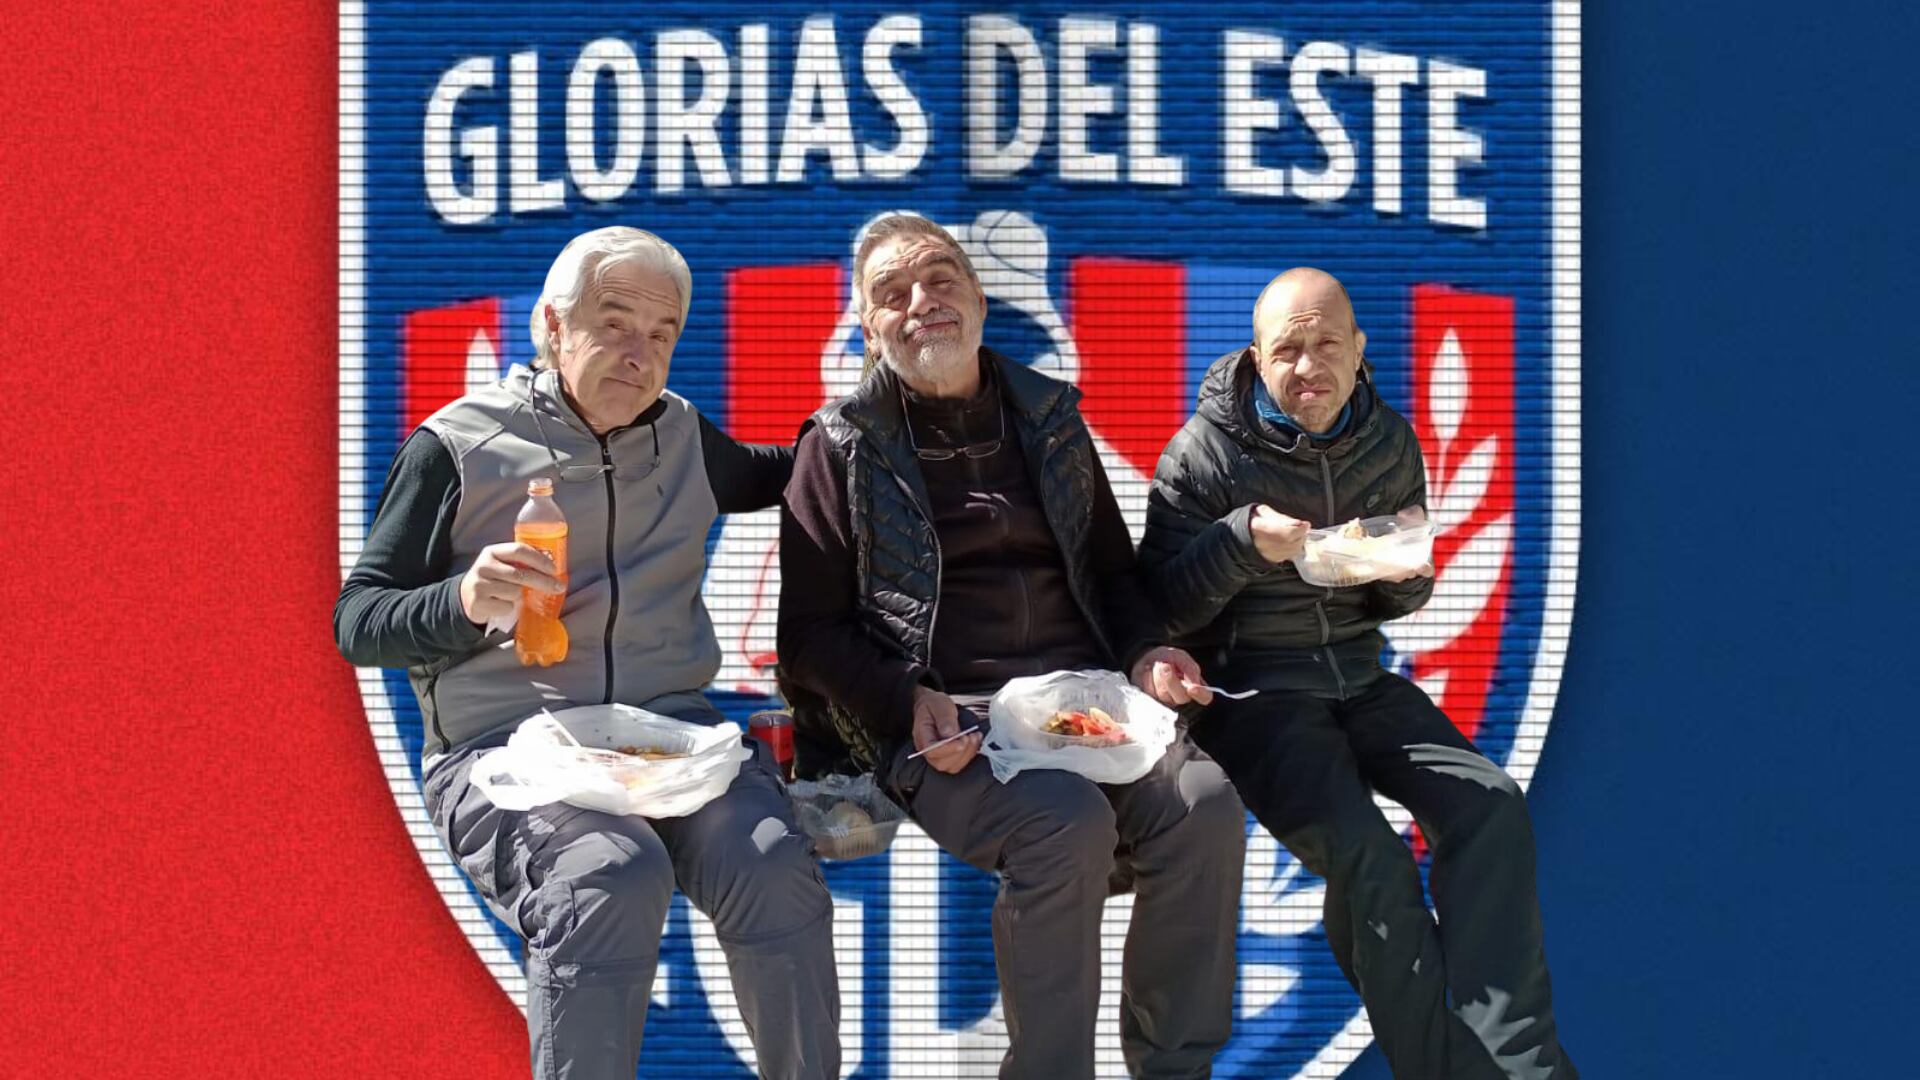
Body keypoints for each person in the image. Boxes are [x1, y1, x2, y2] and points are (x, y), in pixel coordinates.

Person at [334, 227, 839, 1080]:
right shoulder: (460, 445)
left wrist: (881, 430)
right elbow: (358, 620)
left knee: (773, 866)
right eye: (613, 323)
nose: (638, 353)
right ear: (551, 325)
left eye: (661, 334)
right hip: (503, 744)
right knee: (609, 874)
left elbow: (800, 472)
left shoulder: (683, 436)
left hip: (666, 737)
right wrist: (459, 601)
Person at [777, 213, 1246, 1079]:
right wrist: (903, 700)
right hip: (948, 727)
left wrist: (1149, 656)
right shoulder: (836, 445)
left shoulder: (1052, 417)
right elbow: (804, 638)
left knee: (1206, 805)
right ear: (867, 326)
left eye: (942, 277)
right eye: (894, 293)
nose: (923, 302)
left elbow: (1114, 575)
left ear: (980, 297)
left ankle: (1176, 1068)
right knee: (1062, 825)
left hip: (1093, 710)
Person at [1137, 267, 1577, 1078]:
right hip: (1252, 694)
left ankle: (1521, 1063)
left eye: (1325, 344)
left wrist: (1403, 571)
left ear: (1359, 349)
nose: (1309, 367)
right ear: (1256, 357)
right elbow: (1157, 610)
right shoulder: (1200, 454)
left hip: (1361, 677)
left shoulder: (1390, 438)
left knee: (1492, 807)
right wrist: (1239, 542)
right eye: (1287, 351)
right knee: (1368, 858)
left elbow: (1402, 596)